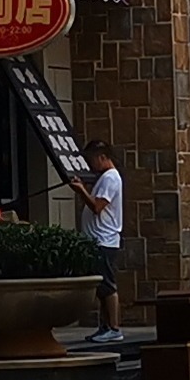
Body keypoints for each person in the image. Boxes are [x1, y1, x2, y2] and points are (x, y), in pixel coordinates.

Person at [81, 142, 127, 344]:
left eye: (92, 159)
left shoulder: (110, 178)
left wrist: (81, 190)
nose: (91, 164)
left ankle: (114, 327)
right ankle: (105, 326)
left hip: (104, 239)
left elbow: (97, 207)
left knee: (107, 285)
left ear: (102, 157)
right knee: (101, 286)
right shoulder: (105, 178)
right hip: (98, 239)